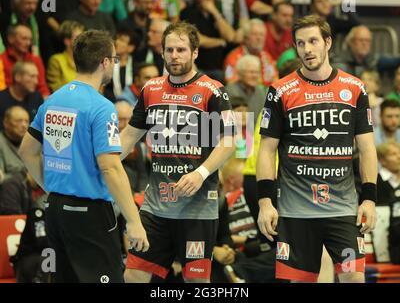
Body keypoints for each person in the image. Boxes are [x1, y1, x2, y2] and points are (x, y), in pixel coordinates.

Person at [18, 29, 149, 283]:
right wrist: (134, 221)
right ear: (105, 62)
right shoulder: (101, 107)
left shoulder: (54, 99)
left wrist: (52, 187)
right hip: (89, 215)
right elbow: (110, 167)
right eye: (114, 58)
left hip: (56, 210)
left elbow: (27, 150)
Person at [256, 15, 378, 283]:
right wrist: (265, 202)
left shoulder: (355, 88)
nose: (307, 49)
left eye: (313, 41)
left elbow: (367, 148)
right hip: (295, 210)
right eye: (300, 43)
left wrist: (369, 197)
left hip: (343, 208)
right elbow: (266, 150)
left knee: (354, 279)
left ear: (328, 42)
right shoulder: (280, 90)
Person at [121, 22, 236, 283]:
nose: (175, 55)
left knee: (195, 281)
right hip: (156, 207)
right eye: (169, 49)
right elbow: (129, 136)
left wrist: (201, 172)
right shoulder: (151, 89)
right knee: (134, 275)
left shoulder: (213, 90)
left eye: (181, 49)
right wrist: (102, 162)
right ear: (161, 52)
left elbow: (229, 142)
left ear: (195, 52)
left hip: (197, 208)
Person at [0, 61, 43, 131]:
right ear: (18, 77)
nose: (36, 81)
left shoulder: (37, 97)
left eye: (36, 77)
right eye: (32, 76)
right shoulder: (1, 99)